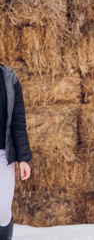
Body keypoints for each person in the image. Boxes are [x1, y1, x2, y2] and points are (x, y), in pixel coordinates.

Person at [0, 64, 32, 240]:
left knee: (3, 214)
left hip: (3, 155)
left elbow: (18, 122)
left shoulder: (9, 78)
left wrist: (23, 159)